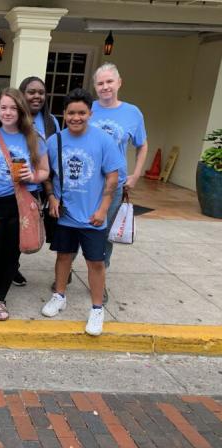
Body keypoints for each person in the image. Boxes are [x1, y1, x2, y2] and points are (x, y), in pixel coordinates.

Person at [42, 88, 123, 336]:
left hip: (92, 216)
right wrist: (52, 197)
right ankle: (59, 296)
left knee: (95, 262)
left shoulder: (103, 141)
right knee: (63, 256)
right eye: (71, 113)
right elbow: (47, 175)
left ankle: (97, 309)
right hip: (65, 214)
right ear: (64, 114)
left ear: (90, 113)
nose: (76, 117)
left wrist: (103, 209)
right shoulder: (54, 141)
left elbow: (113, 177)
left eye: (82, 113)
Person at [0, 88, 49, 321]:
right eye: (3, 108)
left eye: (12, 108)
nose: (7, 112)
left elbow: (45, 171)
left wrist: (31, 177)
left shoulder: (34, 140)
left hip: (21, 206)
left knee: (10, 256)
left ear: (21, 111)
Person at [90, 63, 148, 302]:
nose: (105, 87)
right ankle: (66, 271)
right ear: (95, 87)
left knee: (105, 234)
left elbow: (142, 145)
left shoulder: (132, 113)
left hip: (114, 186)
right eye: (100, 83)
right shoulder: (88, 109)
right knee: (75, 228)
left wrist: (135, 175)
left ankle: (99, 280)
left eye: (109, 82)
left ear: (119, 83)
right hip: (87, 181)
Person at [18, 76, 62, 288]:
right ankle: (12, 268)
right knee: (17, 229)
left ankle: (64, 269)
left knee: (51, 227)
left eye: (41, 93)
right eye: (31, 92)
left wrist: (52, 191)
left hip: (44, 183)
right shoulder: (14, 118)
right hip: (18, 185)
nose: (37, 96)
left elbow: (53, 155)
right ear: (22, 94)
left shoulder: (50, 122)